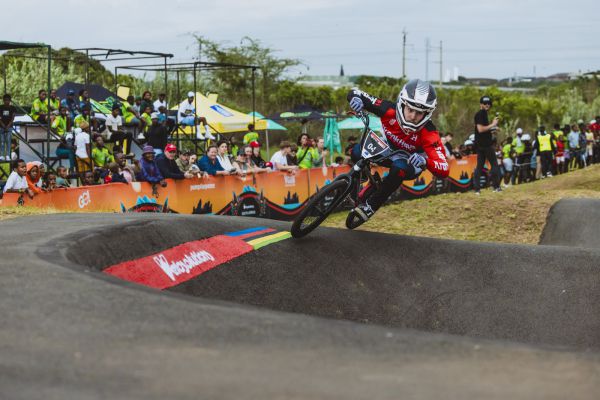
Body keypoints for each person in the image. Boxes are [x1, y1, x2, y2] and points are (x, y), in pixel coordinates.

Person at [347, 78, 449, 222]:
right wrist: (355, 100)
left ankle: (372, 205)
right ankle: (366, 180)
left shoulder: (430, 133)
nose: (413, 116)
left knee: (399, 168)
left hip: (409, 162)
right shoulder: (388, 109)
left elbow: (444, 169)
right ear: (402, 104)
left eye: (419, 113)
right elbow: (355, 92)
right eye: (410, 109)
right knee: (357, 151)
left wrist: (426, 161)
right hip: (387, 149)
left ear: (427, 114)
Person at [472, 95, 501, 193]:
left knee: (479, 167)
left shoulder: (483, 114)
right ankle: (496, 187)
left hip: (481, 145)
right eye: (485, 103)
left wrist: (493, 129)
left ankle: (477, 190)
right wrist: (493, 124)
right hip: (486, 145)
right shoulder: (480, 114)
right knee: (494, 165)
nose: (487, 105)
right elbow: (480, 129)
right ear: (481, 104)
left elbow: (483, 130)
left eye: (489, 103)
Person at [0, 94, 16, 161]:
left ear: (10, 100)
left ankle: (8, 155)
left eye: (8, 100)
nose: (6, 101)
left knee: (8, 141)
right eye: (5, 100)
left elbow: (13, 118)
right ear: (3, 100)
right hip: (1, 127)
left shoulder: (13, 108)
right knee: (2, 141)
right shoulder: (0, 107)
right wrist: (3, 125)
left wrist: (8, 125)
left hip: (9, 127)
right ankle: (1, 155)